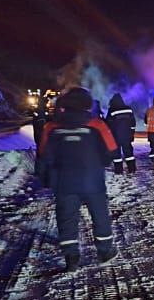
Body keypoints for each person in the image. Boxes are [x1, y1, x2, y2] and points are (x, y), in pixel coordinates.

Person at [36, 87, 118, 271]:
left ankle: (71, 257)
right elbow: (112, 150)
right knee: (100, 216)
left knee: (66, 218)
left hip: (64, 182)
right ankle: (105, 251)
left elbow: (43, 155)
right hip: (93, 181)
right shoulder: (97, 125)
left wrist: (44, 177)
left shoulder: (51, 127)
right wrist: (101, 161)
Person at [104, 92, 137, 175]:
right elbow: (133, 122)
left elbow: (108, 123)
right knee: (129, 153)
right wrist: (132, 133)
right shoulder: (128, 109)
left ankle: (119, 170)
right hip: (127, 135)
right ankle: (132, 169)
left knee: (117, 154)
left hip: (116, 136)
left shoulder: (112, 110)